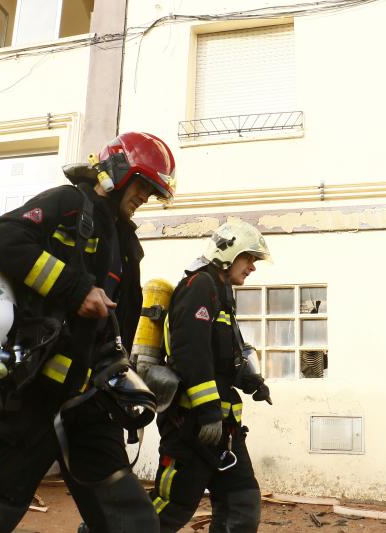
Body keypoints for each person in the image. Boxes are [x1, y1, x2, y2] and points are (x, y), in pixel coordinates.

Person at [0, 131, 176, 533]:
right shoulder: (69, 203)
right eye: (142, 184)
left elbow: (122, 322)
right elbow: (1, 237)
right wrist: (74, 289)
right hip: (32, 392)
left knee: (130, 521)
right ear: (116, 171)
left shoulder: (126, 242)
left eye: (153, 190)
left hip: (92, 401)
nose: (146, 196)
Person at [145, 220, 273, 533]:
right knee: (172, 508)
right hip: (192, 426)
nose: (252, 267)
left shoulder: (222, 293)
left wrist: (251, 381)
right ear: (229, 253)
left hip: (225, 429)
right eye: (249, 258)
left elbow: (223, 356)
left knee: (242, 507)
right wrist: (207, 412)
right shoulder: (199, 286)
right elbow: (191, 354)